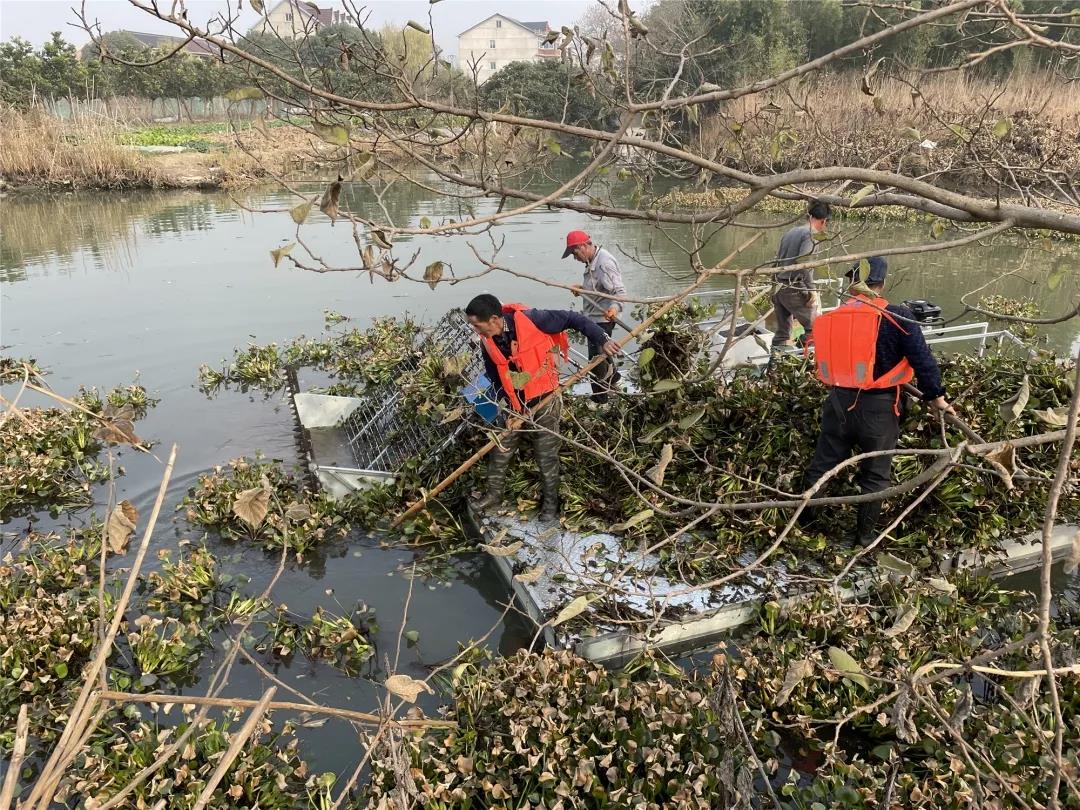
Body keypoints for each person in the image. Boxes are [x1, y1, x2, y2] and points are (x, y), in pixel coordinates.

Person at [802, 256, 955, 546]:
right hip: (878, 411)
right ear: (881, 284)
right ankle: (863, 540)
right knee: (874, 475)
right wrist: (937, 398)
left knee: (822, 465)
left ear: (852, 285)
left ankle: (805, 525)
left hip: (837, 403)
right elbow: (923, 362)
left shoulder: (833, 317)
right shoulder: (897, 317)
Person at [465, 293, 620, 522]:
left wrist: (603, 339)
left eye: (478, 325)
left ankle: (550, 505)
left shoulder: (534, 319)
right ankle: (493, 495)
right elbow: (494, 376)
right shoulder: (487, 341)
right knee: (500, 449)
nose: (476, 331)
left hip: (545, 399)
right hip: (516, 405)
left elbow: (574, 318)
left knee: (545, 455)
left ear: (495, 319)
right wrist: (506, 407)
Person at [563, 230, 626, 402]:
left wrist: (614, 309)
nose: (575, 259)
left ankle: (600, 401)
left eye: (575, 253)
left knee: (595, 361)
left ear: (584, 246)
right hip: (592, 318)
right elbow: (599, 289)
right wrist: (582, 290)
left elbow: (619, 292)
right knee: (602, 355)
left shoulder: (604, 263)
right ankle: (615, 379)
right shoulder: (593, 260)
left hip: (602, 320)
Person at [771, 200, 830, 351]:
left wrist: (773, 286)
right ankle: (802, 361)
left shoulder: (791, 232)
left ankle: (775, 367)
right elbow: (804, 264)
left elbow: (777, 260)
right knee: (816, 328)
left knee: (783, 333)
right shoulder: (812, 235)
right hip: (793, 287)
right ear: (824, 221)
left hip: (779, 286)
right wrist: (812, 291)